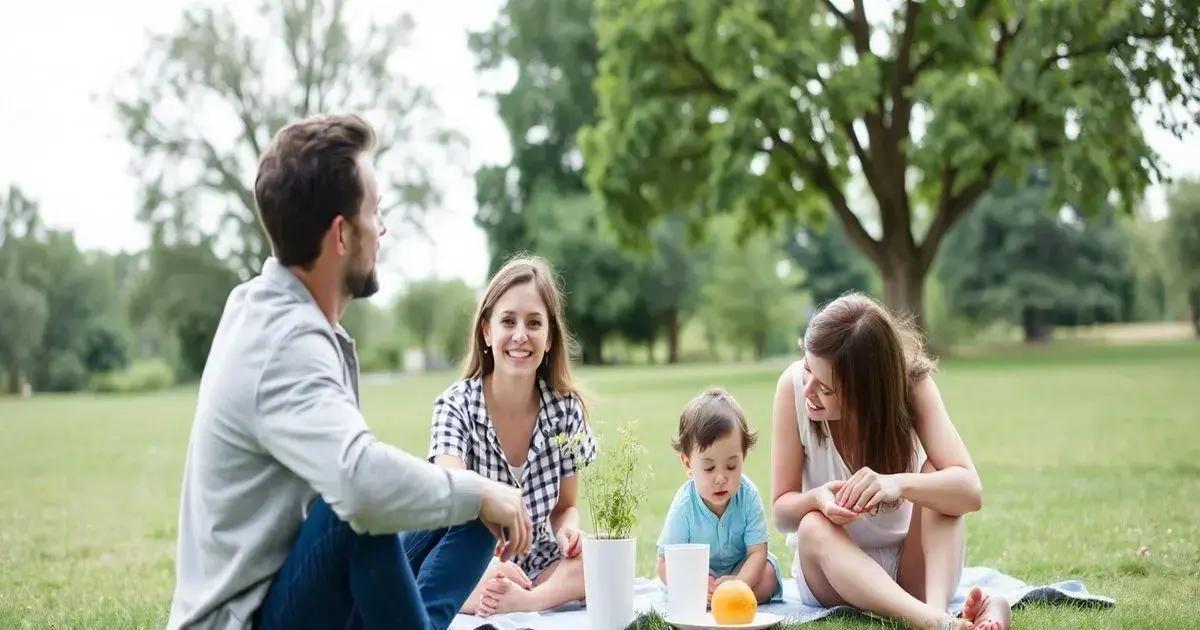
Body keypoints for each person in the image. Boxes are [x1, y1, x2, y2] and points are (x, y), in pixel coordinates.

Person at [167, 114, 531, 630]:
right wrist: (476, 493)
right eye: (375, 212)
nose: (382, 229)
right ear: (341, 234)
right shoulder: (283, 341)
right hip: (245, 618)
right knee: (363, 509)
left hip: (298, 587)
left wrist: (479, 494)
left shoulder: (275, 310)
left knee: (475, 512)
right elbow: (359, 486)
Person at [770, 293, 1011, 630]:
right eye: (808, 368)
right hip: (832, 572)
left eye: (825, 388)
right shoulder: (792, 388)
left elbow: (970, 491)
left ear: (866, 391)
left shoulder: (911, 386)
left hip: (912, 574)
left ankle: (937, 615)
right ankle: (936, 621)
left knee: (938, 476)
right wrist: (817, 499)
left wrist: (897, 483)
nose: (808, 390)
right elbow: (782, 512)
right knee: (811, 526)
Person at [428, 255, 597, 617]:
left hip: (544, 566)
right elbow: (451, 482)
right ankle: (496, 596)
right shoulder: (456, 405)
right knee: (451, 577)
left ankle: (526, 602)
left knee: (596, 560)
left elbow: (566, 506)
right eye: (508, 321)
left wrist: (569, 533)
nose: (521, 335)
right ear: (487, 331)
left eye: (534, 323)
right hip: (476, 562)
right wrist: (488, 567)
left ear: (549, 337)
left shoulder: (566, 410)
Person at [656, 388, 783, 604]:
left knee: (769, 573)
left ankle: (735, 600)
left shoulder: (748, 495)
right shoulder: (685, 505)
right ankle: (713, 600)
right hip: (698, 576)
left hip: (741, 571)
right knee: (681, 586)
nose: (721, 478)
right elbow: (664, 563)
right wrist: (695, 582)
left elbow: (757, 553)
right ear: (688, 465)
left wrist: (738, 584)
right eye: (709, 468)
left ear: (743, 458)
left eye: (732, 466)